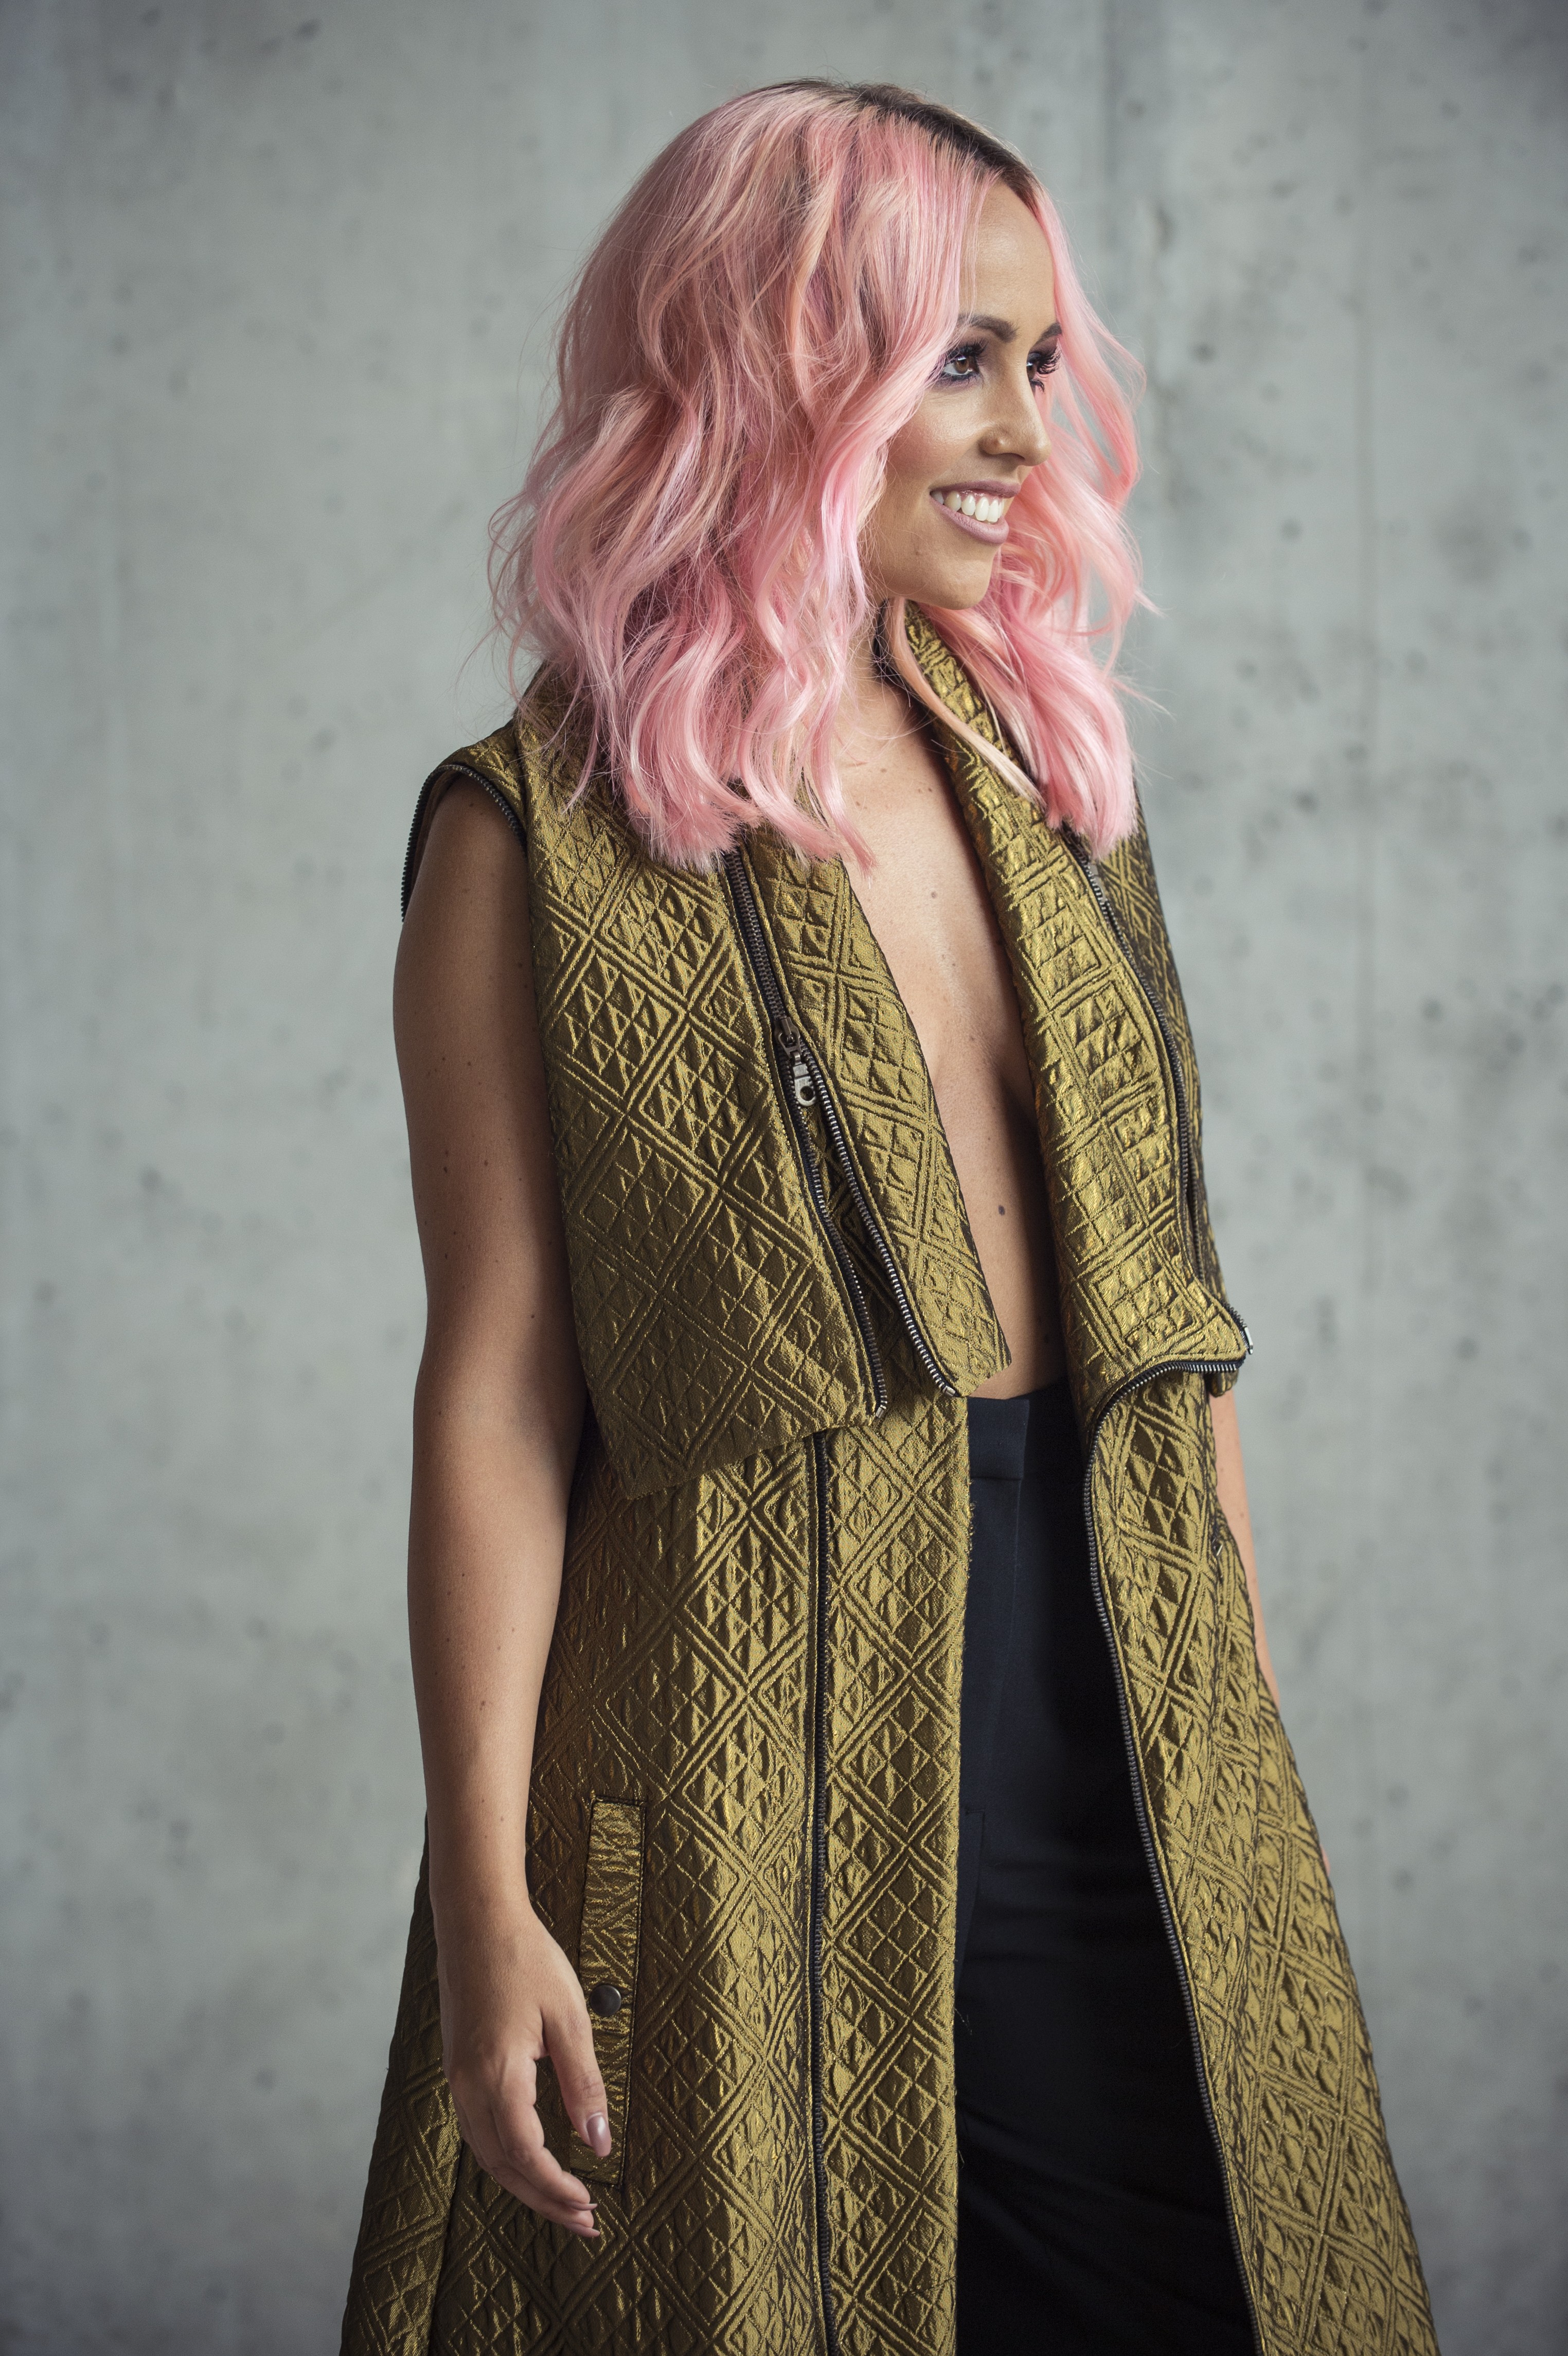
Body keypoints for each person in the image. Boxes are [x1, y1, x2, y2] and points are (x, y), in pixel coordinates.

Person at [341, 81, 1436, 2356]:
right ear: (777, 365)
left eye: (1038, 360)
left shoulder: (1059, 776)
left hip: (1126, 1706)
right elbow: (501, 1389)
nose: (1027, 428)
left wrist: (1234, 1721)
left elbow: (1179, 1318)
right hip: (754, 1741)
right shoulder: (528, 841)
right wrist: (485, 1886)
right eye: (959, 358)